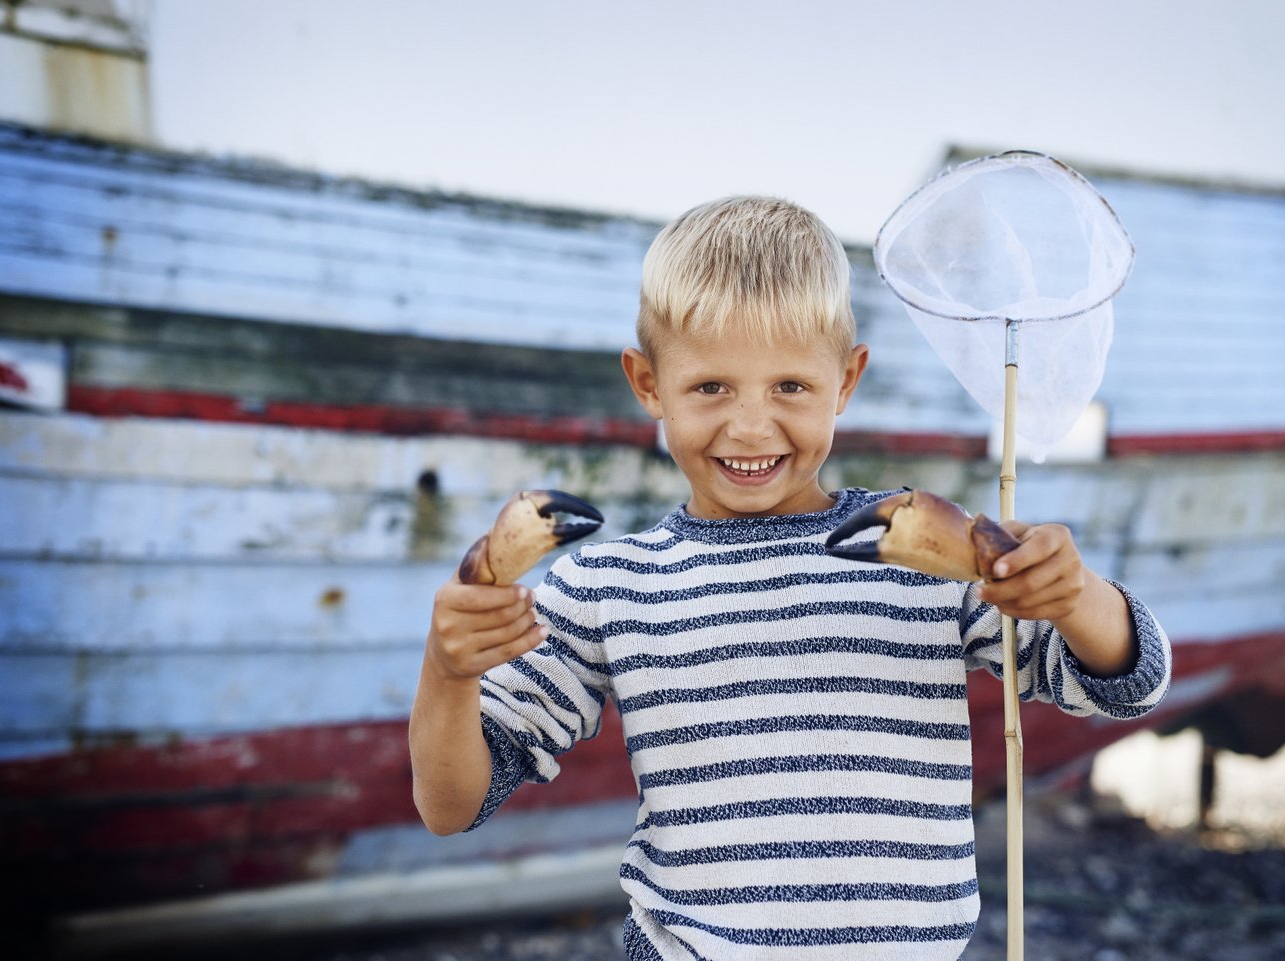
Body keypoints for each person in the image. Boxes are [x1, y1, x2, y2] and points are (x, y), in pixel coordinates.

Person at [409, 196, 1171, 960]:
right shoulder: (606, 585)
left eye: (790, 387)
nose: (749, 425)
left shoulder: (929, 557)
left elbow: (1126, 682)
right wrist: (447, 671)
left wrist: (1073, 596)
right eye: (710, 387)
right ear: (647, 383)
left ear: (846, 380)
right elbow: (452, 805)